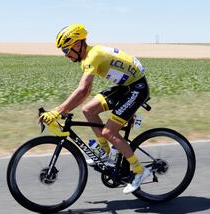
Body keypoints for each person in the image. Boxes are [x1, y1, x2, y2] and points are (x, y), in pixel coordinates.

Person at [39, 24, 150, 194]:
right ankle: (105, 152)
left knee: (109, 132)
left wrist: (57, 111)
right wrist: (61, 109)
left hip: (137, 89)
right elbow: (87, 92)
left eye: (66, 50)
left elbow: (83, 90)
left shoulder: (93, 55)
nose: (66, 54)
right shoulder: (87, 58)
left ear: (77, 44)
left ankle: (139, 171)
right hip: (126, 87)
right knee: (88, 110)